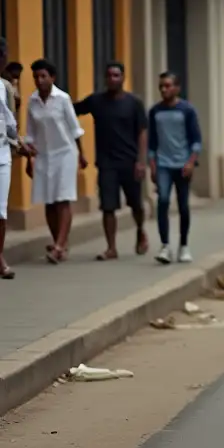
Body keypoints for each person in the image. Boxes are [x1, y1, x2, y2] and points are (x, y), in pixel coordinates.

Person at [73, 62, 149, 261]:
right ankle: (111, 247)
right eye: (109, 76)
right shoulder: (96, 101)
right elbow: (71, 111)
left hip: (130, 161)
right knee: (108, 206)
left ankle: (141, 230)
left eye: (116, 75)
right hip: (106, 163)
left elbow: (142, 132)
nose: (112, 79)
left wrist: (141, 161)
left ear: (123, 78)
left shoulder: (134, 103)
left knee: (136, 205)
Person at [25, 59, 86, 263]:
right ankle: (59, 242)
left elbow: (75, 129)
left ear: (53, 77)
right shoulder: (32, 101)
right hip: (43, 155)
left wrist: (82, 154)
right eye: (36, 77)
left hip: (65, 153)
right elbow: (30, 134)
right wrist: (29, 160)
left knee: (62, 199)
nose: (39, 80)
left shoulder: (63, 99)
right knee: (49, 201)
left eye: (43, 76)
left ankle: (60, 245)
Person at [147, 71, 202, 264]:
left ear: (177, 88)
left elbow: (196, 140)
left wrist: (190, 162)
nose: (164, 89)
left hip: (182, 164)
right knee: (162, 201)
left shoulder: (187, 110)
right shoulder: (155, 111)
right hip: (163, 164)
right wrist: (152, 164)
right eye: (161, 86)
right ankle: (165, 246)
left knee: (183, 205)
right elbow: (152, 142)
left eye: (168, 85)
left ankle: (184, 245)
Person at [0, 39, 28, 279]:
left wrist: (20, 145)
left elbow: (11, 122)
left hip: (1, 156)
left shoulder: (5, 88)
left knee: (0, 212)